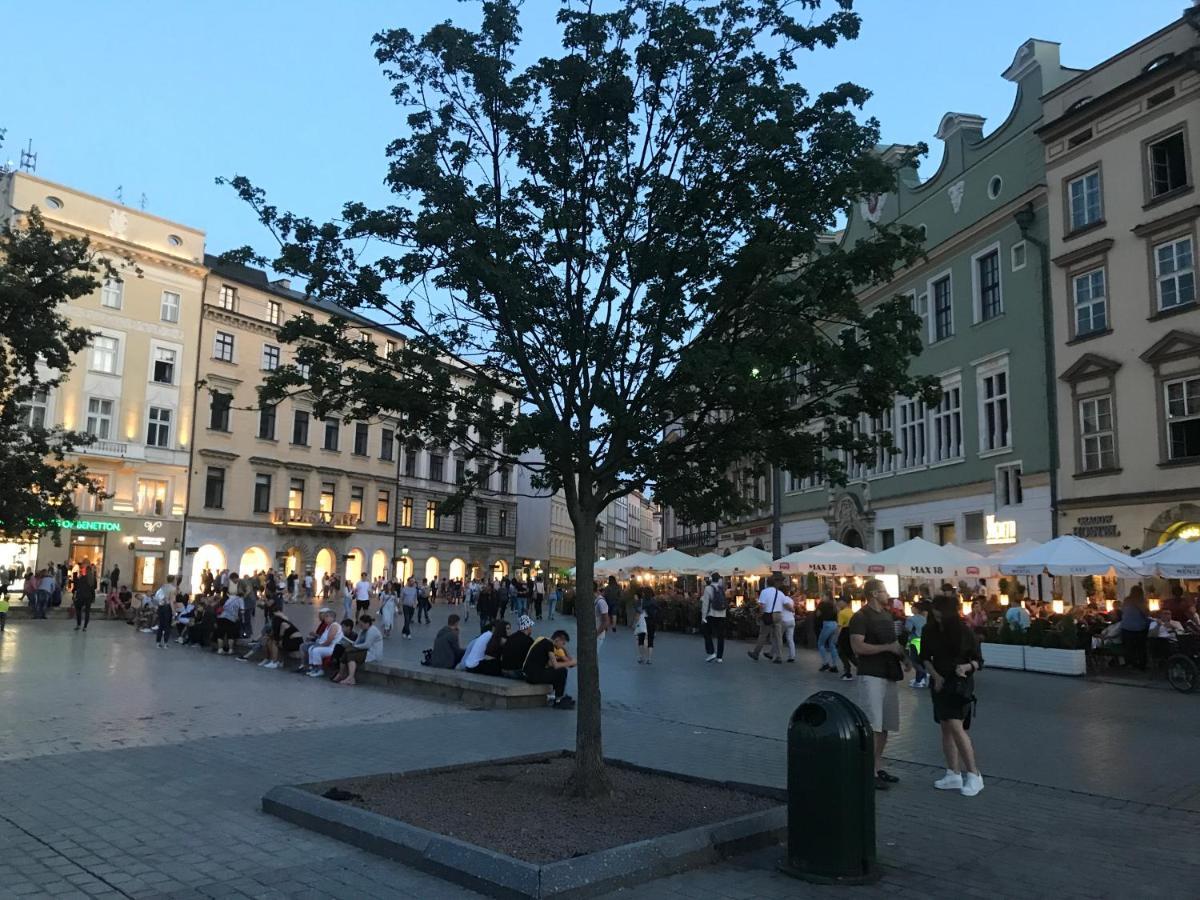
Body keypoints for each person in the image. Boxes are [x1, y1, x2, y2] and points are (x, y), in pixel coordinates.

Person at [919, 594, 985, 797]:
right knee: (945, 727)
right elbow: (924, 657)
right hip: (939, 682)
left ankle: (974, 774)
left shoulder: (964, 632)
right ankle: (953, 773)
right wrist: (935, 676)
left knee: (956, 725)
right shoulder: (929, 630)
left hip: (959, 682)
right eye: (935, 614)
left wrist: (966, 666)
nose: (937, 618)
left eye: (940, 615)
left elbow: (978, 661)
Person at [849, 579, 910, 791]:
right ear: (874, 593)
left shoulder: (886, 614)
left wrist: (903, 657)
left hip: (889, 673)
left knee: (885, 726)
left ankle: (876, 766)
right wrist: (887, 648)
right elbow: (858, 647)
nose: (888, 594)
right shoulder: (861, 616)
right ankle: (867, 772)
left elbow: (894, 644)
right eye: (884, 591)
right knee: (873, 725)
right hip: (871, 674)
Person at [524, 629, 576, 708]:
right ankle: (558, 700)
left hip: (529, 674)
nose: (563, 645)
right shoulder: (549, 645)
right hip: (533, 675)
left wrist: (564, 649)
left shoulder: (544, 641)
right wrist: (571, 663)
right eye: (563, 643)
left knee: (558, 670)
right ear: (557, 640)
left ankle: (557, 696)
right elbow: (556, 665)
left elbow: (550, 663)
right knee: (561, 671)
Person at [336, 614, 384, 686]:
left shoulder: (372, 631)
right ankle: (341, 674)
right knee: (346, 653)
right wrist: (350, 644)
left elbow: (367, 645)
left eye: (361, 625)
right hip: (364, 650)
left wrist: (354, 647)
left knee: (351, 655)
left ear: (367, 624)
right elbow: (357, 642)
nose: (360, 627)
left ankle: (351, 678)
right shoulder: (363, 630)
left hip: (372, 653)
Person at [748, 574, 786, 664]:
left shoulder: (764, 592)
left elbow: (762, 605)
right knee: (778, 637)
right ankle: (779, 657)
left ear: (766, 583)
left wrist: (760, 614)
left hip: (768, 615)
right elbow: (784, 603)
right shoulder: (780, 593)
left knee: (763, 635)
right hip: (778, 615)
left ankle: (756, 653)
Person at [1120, 585, 1151, 671]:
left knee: (1128, 647)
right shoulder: (1141, 601)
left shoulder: (1127, 600)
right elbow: (1146, 612)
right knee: (1141, 647)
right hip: (1139, 627)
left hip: (1126, 626)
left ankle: (1130, 663)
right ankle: (1141, 665)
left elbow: (1123, 610)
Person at [304, 610, 343, 677]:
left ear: (332, 617)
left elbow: (329, 640)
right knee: (311, 648)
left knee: (316, 650)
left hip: (332, 648)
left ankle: (320, 670)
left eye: (327, 616)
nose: (325, 618)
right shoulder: (328, 626)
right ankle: (314, 668)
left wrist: (319, 645)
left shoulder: (334, 626)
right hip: (327, 646)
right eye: (325, 617)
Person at [700, 573, 727, 662]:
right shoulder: (722, 588)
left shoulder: (708, 588)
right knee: (720, 636)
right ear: (719, 579)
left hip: (711, 614)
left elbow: (705, 604)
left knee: (706, 633)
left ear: (711, 579)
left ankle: (711, 652)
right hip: (722, 614)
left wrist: (703, 617)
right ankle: (719, 657)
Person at [905, 600, 929, 688]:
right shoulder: (925, 619)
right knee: (922, 660)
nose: (911, 609)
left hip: (914, 641)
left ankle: (922, 676)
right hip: (923, 641)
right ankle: (921, 679)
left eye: (912, 608)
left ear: (916, 609)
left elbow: (908, 629)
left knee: (914, 661)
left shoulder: (911, 619)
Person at [815, 594, 839, 671]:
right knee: (832, 645)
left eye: (823, 596)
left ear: (827, 597)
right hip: (835, 624)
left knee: (820, 643)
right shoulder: (835, 605)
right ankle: (834, 665)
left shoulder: (822, 604)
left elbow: (818, 614)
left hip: (827, 624)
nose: (822, 597)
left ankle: (825, 663)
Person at [72, 561, 98, 632]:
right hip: (89, 597)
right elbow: (95, 587)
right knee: (87, 612)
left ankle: (78, 624)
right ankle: (85, 627)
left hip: (81, 596)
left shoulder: (82, 578)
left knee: (78, 610)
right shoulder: (93, 579)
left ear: (86, 570)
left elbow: (77, 587)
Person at [153, 576, 178, 649]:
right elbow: (171, 601)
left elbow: (157, 597)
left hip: (161, 607)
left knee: (161, 625)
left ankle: (158, 643)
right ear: (173, 580)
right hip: (167, 608)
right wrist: (173, 611)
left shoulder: (163, 586)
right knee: (167, 626)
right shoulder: (173, 589)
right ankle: (165, 643)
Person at [216, 591, 243, 655]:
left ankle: (220, 649)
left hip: (221, 617)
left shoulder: (225, 599)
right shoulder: (239, 600)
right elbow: (241, 610)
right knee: (230, 635)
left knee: (220, 634)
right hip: (231, 619)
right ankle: (230, 650)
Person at [835, 596, 855, 680]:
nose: (838, 603)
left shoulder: (841, 613)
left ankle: (847, 672)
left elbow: (839, 627)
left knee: (841, 652)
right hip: (851, 633)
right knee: (850, 653)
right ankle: (860, 667)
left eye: (840, 601)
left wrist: (836, 638)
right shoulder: (852, 611)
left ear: (844, 602)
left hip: (844, 633)